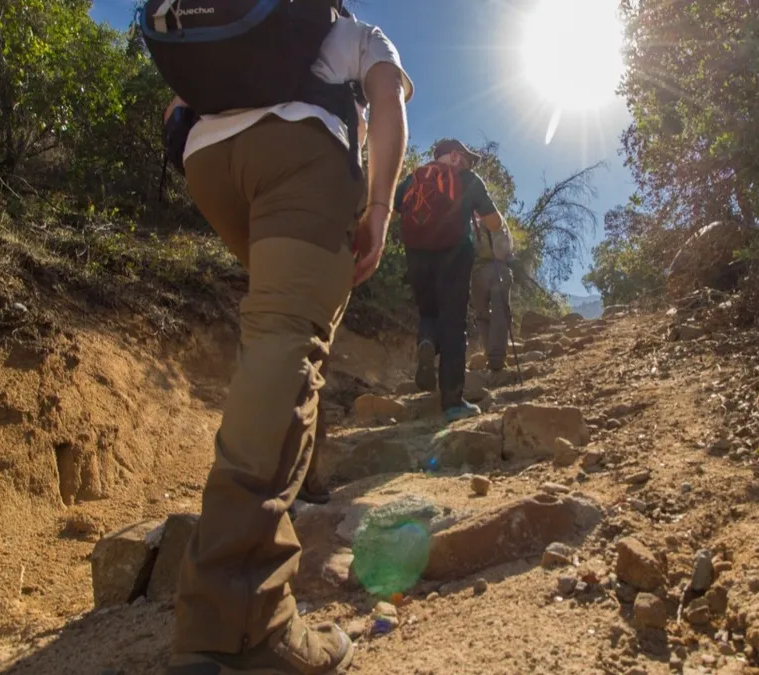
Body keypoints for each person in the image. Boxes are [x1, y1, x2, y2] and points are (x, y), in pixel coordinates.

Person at [163, 9, 413, 675]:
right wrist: (380, 208)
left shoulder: (237, 17)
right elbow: (387, 100)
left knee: (282, 340)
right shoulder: (351, 27)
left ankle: (291, 496)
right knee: (285, 340)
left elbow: (175, 105)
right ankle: (238, 621)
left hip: (209, 164)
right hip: (299, 153)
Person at [394, 139, 504, 422]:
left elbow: (396, 206)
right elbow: (493, 222)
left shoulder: (413, 179)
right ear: (454, 156)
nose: (468, 163)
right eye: (466, 158)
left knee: (428, 311)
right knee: (453, 321)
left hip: (417, 257)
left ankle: (427, 340)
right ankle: (453, 401)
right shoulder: (467, 179)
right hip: (455, 255)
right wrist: (496, 227)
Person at [470, 214, 515, 373]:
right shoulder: (497, 219)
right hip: (500, 271)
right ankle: (496, 358)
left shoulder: (470, 223)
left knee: (482, 315)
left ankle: (491, 355)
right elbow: (507, 248)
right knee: (500, 311)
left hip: (477, 274)